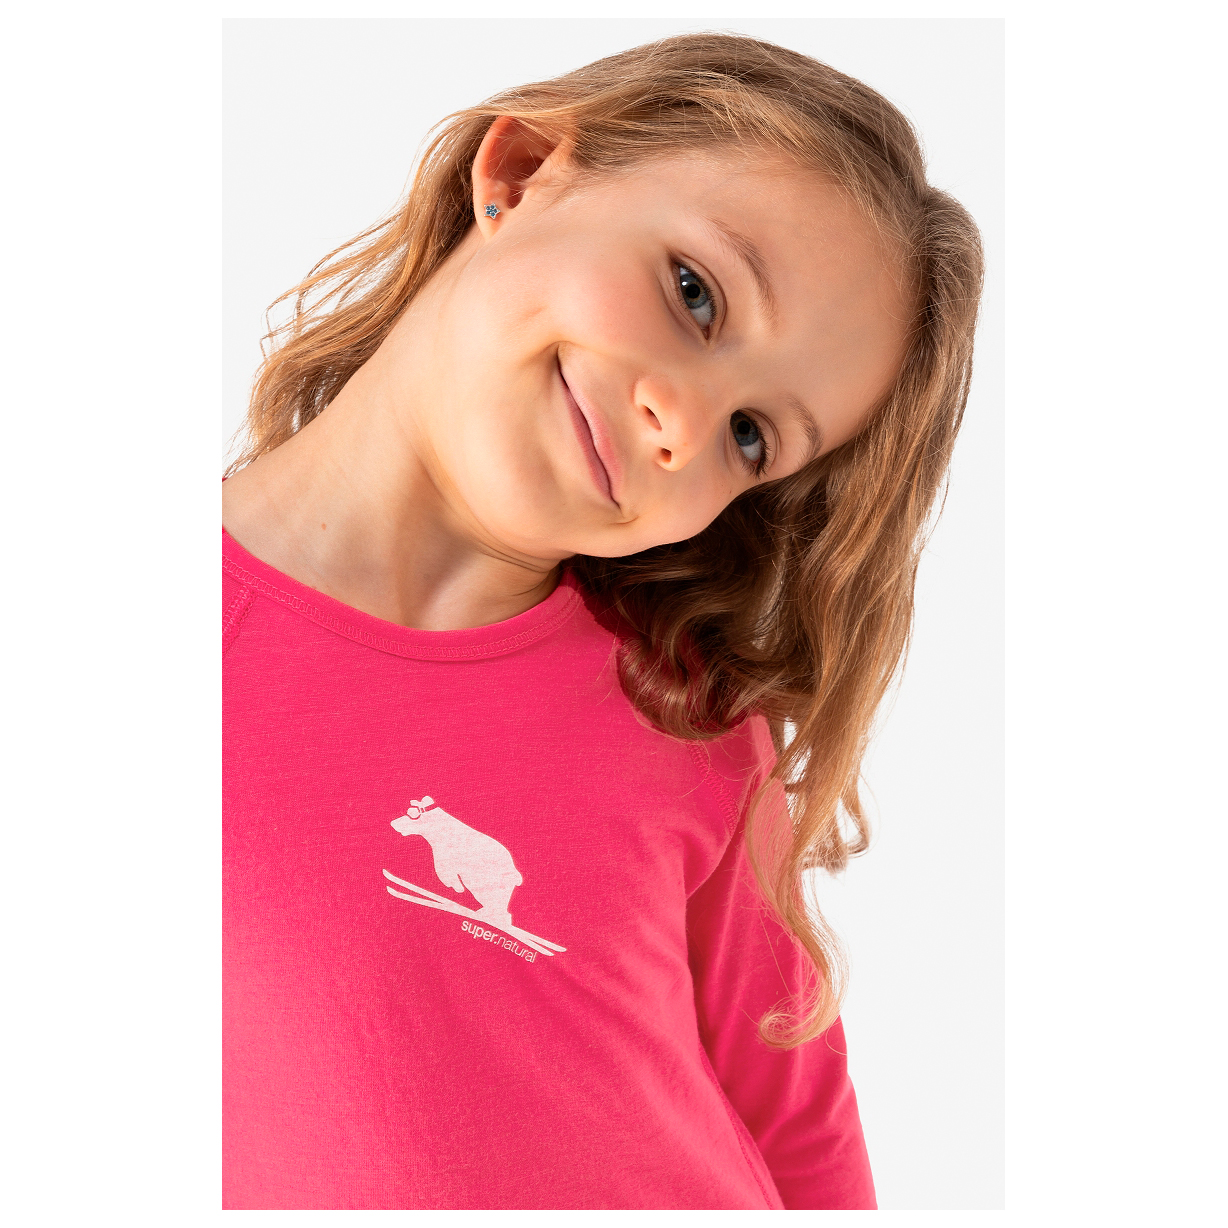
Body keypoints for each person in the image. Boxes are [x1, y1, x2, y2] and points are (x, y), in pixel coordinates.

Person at [221, 32, 983, 1211]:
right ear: (521, 173)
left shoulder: (684, 716)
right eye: (694, 293)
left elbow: (797, 1122)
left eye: (750, 436)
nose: (685, 426)